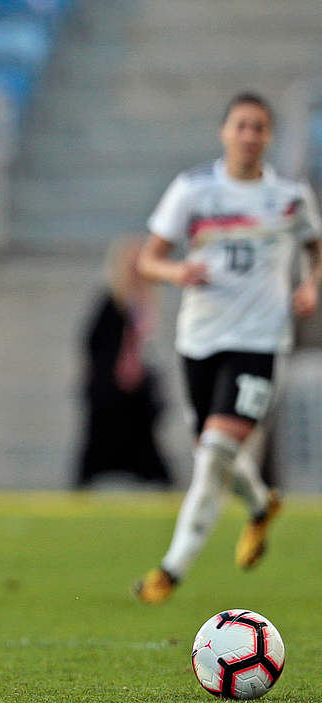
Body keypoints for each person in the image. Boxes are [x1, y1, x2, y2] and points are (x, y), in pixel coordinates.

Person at [132, 92, 321, 604]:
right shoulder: (193, 191)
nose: (250, 135)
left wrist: (311, 285)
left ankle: (170, 571)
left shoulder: (289, 196)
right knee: (213, 453)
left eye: (259, 127)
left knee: (214, 451)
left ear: (270, 136)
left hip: (260, 342)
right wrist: (176, 271)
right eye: (241, 125)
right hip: (200, 339)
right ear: (224, 132)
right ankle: (260, 504)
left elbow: (315, 248)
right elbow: (147, 260)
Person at [74, 235, 171, 487]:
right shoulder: (112, 301)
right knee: (99, 442)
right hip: (110, 388)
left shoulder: (144, 302)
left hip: (137, 389)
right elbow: (93, 342)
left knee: (144, 442)